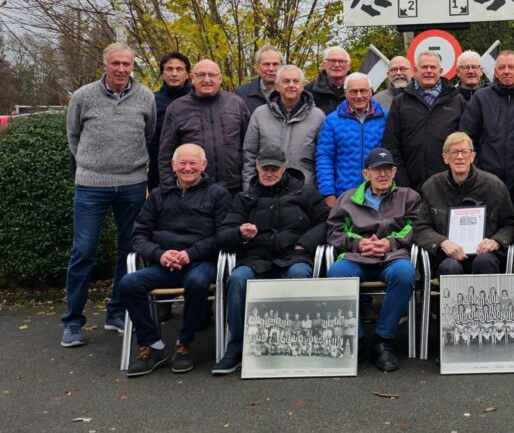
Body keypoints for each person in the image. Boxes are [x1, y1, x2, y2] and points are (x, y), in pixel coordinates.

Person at [62, 43, 157, 348]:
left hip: (132, 183)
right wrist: (92, 164)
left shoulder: (146, 96)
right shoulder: (83, 96)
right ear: (104, 65)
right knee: (84, 251)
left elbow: (149, 133)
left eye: (126, 64)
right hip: (91, 184)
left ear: (133, 66)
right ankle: (73, 321)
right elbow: (73, 136)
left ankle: (116, 312)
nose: (121, 69)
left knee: (128, 251)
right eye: (115, 63)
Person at [211, 145, 329, 374]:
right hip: (255, 258)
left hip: (294, 255)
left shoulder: (305, 192)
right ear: (257, 167)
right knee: (237, 279)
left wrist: (304, 243)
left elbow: (326, 222)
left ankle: (300, 343)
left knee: (299, 274)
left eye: (274, 168)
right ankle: (236, 347)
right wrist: (240, 233)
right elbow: (223, 235)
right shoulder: (245, 197)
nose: (269, 173)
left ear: (285, 167)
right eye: (265, 168)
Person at [117, 143, 232, 377]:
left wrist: (192, 253)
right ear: (173, 166)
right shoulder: (158, 195)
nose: (188, 168)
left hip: (201, 263)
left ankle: (184, 344)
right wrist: (160, 254)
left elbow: (223, 237)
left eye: (193, 163)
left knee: (197, 282)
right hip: (165, 265)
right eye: (182, 163)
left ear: (204, 165)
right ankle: (153, 346)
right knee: (128, 283)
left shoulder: (218, 194)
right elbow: (139, 235)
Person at [326, 147, 421, 372]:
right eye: (377, 170)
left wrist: (391, 242)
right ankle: (355, 340)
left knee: (405, 273)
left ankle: (382, 340)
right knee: (336, 273)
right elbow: (334, 231)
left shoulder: (408, 197)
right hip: (356, 257)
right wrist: (359, 243)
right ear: (365, 174)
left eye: (387, 169)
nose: (383, 174)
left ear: (394, 171)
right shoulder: (347, 198)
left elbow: (416, 227)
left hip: (391, 256)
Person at [415, 132, 514, 275]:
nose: (460, 157)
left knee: (484, 261)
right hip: (447, 257)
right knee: (450, 267)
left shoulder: (494, 186)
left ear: (472, 156)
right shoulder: (432, 187)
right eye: (454, 152)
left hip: (486, 255)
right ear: (445, 158)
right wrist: (442, 242)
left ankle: (487, 299)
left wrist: (496, 241)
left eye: (464, 152)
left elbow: (509, 223)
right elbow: (421, 227)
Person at [157, 59, 250, 193]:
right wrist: (170, 188)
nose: (206, 80)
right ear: (192, 78)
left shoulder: (236, 104)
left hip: (234, 187)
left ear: (220, 78)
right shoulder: (177, 108)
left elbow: (249, 146)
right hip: (193, 188)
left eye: (211, 75)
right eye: (201, 75)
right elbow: (166, 153)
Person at [459, 50, 514, 203]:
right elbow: (466, 138)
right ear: (495, 71)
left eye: (511, 67)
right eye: (502, 68)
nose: (506, 71)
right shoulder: (481, 97)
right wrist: (477, 171)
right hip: (485, 182)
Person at [381, 51, 466, 188]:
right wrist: (402, 182)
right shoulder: (400, 102)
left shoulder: (456, 100)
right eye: (424, 67)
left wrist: (457, 177)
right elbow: (391, 145)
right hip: (410, 186)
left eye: (433, 67)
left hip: (449, 184)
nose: (428, 71)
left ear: (441, 71)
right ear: (415, 71)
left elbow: (465, 144)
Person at [242, 65, 325, 187]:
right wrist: (249, 190)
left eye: (296, 81)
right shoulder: (260, 114)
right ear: (277, 86)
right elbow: (249, 156)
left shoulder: (317, 116)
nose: (291, 85)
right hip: (266, 189)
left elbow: (323, 158)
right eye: (286, 81)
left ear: (302, 87)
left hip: (304, 190)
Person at [316, 72, 388, 206]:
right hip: (344, 194)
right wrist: (328, 193)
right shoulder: (332, 120)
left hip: (379, 193)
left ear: (371, 92)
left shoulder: (385, 117)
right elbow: (325, 157)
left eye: (363, 91)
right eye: (353, 91)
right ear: (346, 93)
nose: (359, 96)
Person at [148, 52, 191, 190]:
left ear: (187, 74)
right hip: (159, 172)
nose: (174, 74)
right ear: (162, 74)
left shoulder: (199, 100)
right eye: (169, 69)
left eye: (179, 69)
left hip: (194, 171)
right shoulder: (151, 101)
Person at [234, 45, 283, 114]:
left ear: (282, 67)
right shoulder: (241, 94)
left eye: (275, 64)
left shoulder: (290, 93)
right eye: (266, 64)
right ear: (257, 68)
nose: (271, 69)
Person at [306, 46, 351, 115]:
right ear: (324, 65)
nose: (336, 65)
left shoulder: (359, 90)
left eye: (341, 61)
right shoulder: (309, 91)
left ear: (349, 66)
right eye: (332, 61)